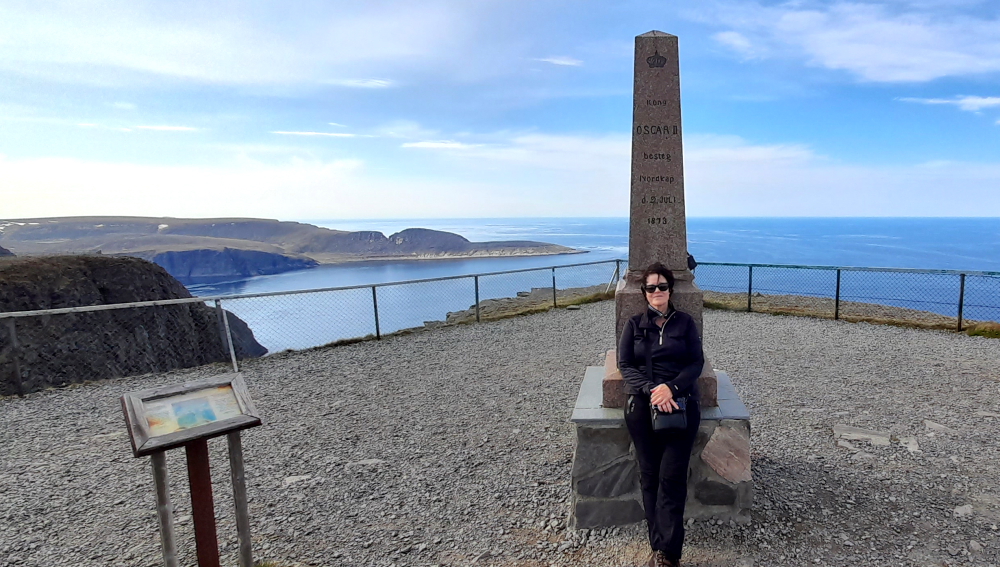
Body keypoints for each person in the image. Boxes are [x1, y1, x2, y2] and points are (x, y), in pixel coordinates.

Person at [617, 262, 704, 567]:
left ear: (670, 290)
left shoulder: (685, 323)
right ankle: (661, 550)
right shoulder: (634, 325)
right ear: (644, 292)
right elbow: (625, 365)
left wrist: (672, 388)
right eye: (651, 287)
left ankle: (667, 553)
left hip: (681, 402)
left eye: (662, 286)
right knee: (650, 476)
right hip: (644, 405)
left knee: (672, 477)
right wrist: (654, 390)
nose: (657, 291)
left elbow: (695, 363)